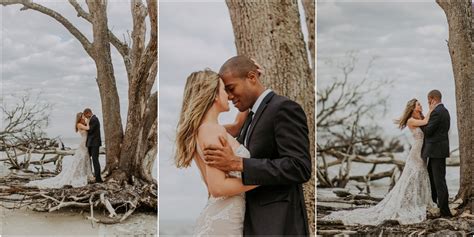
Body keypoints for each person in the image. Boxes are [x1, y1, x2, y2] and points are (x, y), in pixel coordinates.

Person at [203, 55, 312, 235]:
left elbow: (299, 167)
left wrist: (239, 164)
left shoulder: (283, 108)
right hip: (252, 223)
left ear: (252, 78)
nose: (229, 97)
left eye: (231, 88)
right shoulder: (250, 118)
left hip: (277, 224)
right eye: (226, 91)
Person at [322, 98, 436, 225]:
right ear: (412, 108)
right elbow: (426, 121)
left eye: (420, 104)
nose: (420, 105)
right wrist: (432, 109)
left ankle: (421, 201)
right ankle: (409, 203)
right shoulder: (411, 120)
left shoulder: (418, 118)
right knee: (413, 178)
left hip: (422, 152)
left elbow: (426, 123)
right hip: (416, 153)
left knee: (420, 177)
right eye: (418, 104)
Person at [175, 69, 255, 236]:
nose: (230, 95)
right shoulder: (211, 131)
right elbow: (218, 187)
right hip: (224, 222)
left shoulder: (205, 129)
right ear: (214, 96)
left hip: (222, 215)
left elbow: (237, 126)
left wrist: (250, 85)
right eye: (224, 90)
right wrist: (266, 177)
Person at [26, 112, 91, 188]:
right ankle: (77, 175)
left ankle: (84, 174)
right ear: (80, 117)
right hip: (83, 145)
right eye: (83, 116)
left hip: (85, 144)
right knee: (79, 160)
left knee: (83, 160)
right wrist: (88, 121)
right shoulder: (79, 124)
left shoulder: (82, 124)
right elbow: (88, 128)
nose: (84, 118)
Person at [421, 89, 452, 217]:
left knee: (439, 181)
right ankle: (433, 204)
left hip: (436, 151)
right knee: (433, 180)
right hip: (439, 150)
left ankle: (445, 211)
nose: (428, 103)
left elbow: (428, 131)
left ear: (433, 98)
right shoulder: (445, 111)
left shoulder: (437, 112)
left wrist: (420, 123)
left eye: (428, 100)